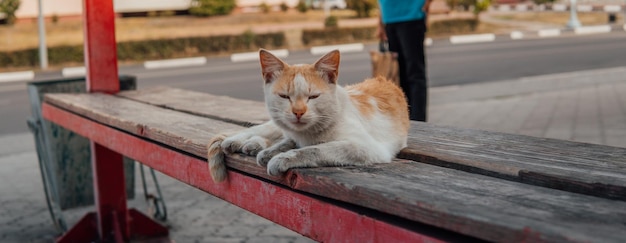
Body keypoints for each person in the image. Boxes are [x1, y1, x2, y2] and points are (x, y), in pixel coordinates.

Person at [377, 0, 432, 122]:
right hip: (389, 17)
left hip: (411, 15)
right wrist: (380, 23)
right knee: (399, 74)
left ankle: (418, 122)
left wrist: (426, 5)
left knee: (415, 73)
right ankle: (405, 118)